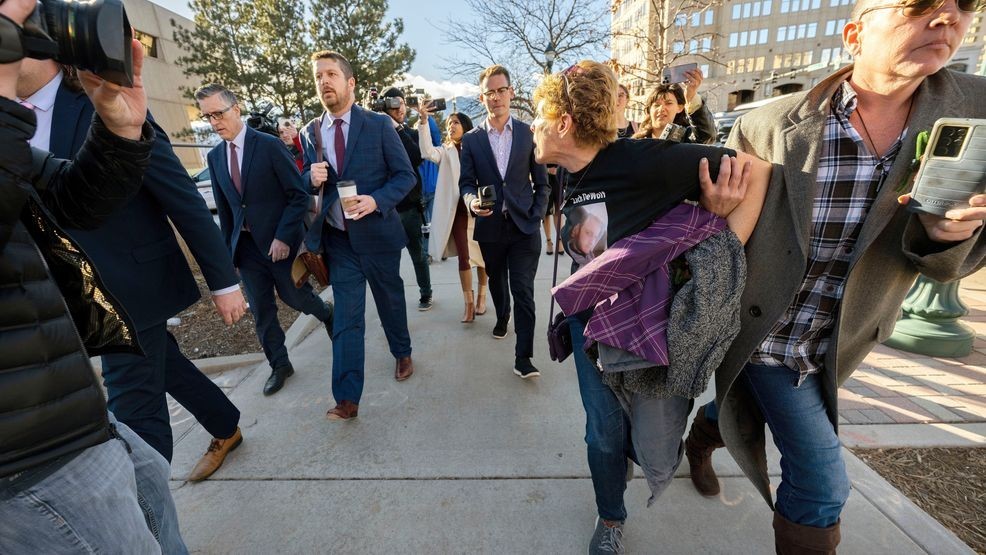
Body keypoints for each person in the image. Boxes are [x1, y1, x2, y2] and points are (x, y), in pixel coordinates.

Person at [684, 0, 986, 551]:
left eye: (964, 5)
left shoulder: (975, 112)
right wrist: (717, 210)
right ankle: (712, 431)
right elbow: (718, 241)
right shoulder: (766, 123)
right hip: (763, 333)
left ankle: (705, 435)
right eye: (919, 5)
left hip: (840, 338)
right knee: (823, 484)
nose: (947, 18)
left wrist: (948, 236)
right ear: (855, 33)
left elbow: (955, 258)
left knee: (741, 405)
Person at [529, 60, 771, 554]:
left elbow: (757, 172)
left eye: (537, 115)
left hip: (642, 333)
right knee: (601, 435)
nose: (531, 125)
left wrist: (720, 246)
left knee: (649, 439)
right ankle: (611, 517)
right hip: (586, 327)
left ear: (562, 123)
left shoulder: (638, 160)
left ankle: (673, 451)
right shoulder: (568, 172)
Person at [0, 5, 185, 549]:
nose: (38, 29)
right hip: (26, 457)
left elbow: (74, 201)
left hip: (70, 416)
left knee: (151, 482)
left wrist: (119, 131)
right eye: (22, 18)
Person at [16, 59, 247, 483]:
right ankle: (225, 425)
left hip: (130, 291)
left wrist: (224, 281)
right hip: (63, 301)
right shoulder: (8, 121)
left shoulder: (105, 98)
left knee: (135, 420)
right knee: (167, 367)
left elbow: (179, 193)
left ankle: (149, 530)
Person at [299, 51, 418, 420]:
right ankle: (347, 398)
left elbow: (405, 176)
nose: (324, 81)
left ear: (349, 83)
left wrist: (375, 200)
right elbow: (303, 188)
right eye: (319, 76)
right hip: (339, 242)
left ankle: (402, 351)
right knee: (348, 318)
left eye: (331, 74)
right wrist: (309, 179)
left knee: (390, 302)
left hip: (378, 235)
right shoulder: (310, 132)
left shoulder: (379, 125)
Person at [196, 83, 335, 397]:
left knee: (295, 298)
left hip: (279, 246)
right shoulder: (216, 157)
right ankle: (280, 364)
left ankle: (327, 313)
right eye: (208, 117)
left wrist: (283, 237)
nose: (214, 121)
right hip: (245, 251)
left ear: (237, 109)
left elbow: (298, 196)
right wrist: (226, 257)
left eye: (219, 113)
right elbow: (227, 211)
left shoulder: (269, 146)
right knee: (261, 311)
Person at [459, 64, 550, 379]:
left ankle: (523, 358)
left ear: (510, 92)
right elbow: (465, 184)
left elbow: (543, 183)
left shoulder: (528, 133)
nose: (496, 97)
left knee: (522, 288)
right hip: (490, 229)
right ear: (482, 97)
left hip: (525, 227)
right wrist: (472, 203)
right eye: (489, 93)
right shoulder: (471, 140)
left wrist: (537, 212)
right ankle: (502, 315)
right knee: (497, 282)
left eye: (501, 91)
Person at [415, 103, 488, 322]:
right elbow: (426, 151)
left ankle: (482, 297)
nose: (451, 126)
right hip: (457, 213)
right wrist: (423, 121)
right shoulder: (445, 152)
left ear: (465, 126)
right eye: (448, 123)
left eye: (455, 122)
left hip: (479, 209)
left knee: (483, 258)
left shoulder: (478, 147)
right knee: (464, 258)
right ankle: (468, 304)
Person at [380, 86, 434, 311]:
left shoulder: (409, 133)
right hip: (387, 208)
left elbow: (416, 156)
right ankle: (392, 301)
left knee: (418, 254)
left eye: (401, 102)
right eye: (393, 103)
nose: (398, 107)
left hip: (410, 206)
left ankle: (426, 292)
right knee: (388, 260)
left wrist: (396, 128)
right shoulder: (377, 131)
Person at [633, 81, 716, 144]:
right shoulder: (637, 143)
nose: (661, 108)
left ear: (680, 108)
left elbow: (706, 135)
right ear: (649, 109)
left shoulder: (686, 139)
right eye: (657, 105)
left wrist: (692, 98)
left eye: (668, 103)